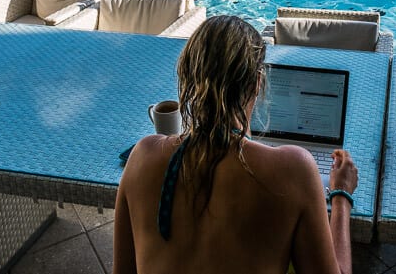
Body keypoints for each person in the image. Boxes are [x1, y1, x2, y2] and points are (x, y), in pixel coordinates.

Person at [113, 15, 358, 274]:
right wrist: (341, 195)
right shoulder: (293, 169)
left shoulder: (142, 156)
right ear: (257, 84)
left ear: (186, 76)